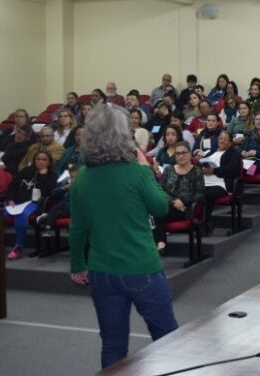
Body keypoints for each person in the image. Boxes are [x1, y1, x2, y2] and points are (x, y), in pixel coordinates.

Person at [68, 104, 177, 369]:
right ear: (123, 134)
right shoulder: (137, 172)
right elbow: (161, 207)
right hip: (142, 268)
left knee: (113, 344)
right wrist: (146, 167)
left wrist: (76, 265)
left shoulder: (82, 177)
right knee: (170, 339)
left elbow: (78, 228)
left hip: (101, 271)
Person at [154, 141, 205, 251]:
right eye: (178, 153)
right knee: (156, 210)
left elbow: (201, 193)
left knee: (159, 213)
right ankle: (161, 243)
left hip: (187, 208)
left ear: (190, 153)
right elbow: (160, 190)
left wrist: (183, 202)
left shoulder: (197, 171)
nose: (181, 156)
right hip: (170, 205)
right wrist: (173, 201)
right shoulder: (168, 170)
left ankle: (161, 243)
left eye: (184, 152)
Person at [6, 151, 57, 260]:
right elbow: (13, 185)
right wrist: (10, 199)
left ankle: (18, 246)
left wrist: (43, 175)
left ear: (49, 162)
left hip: (35, 203)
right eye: (38, 159)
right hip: (17, 201)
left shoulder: (52, 175)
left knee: (22, 215)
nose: (41, 162)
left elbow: (48, 193)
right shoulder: (26, 171)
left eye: (44, 160)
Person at [200, 131, 240, 236]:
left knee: (206, 196)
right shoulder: (210, 152)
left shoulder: (234, 153)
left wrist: (214, 171)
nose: (222, 141)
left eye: (225, 139)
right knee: (194, 194)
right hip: (204, 182)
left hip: (221, 184)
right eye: (220, 138)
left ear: (230, 143)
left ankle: (205, 224)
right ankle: (202, 223)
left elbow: (233, 170)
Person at [37, 164, 80, 243]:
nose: (73, 179)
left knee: (57, 210)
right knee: (57, 207)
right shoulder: (67, 185)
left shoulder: (83, 186)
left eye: (75, 177)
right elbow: (54, 193)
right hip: (64, 206)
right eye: (71, 177)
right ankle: (48, 227)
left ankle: (47, 218)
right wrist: (64, 188)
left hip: (76, 209)